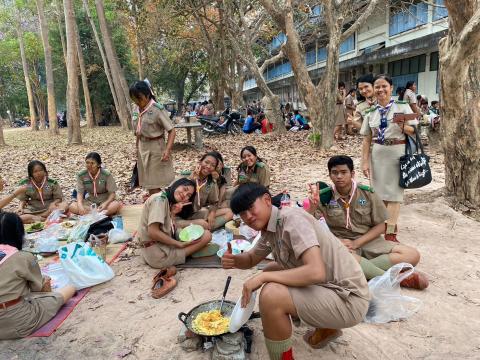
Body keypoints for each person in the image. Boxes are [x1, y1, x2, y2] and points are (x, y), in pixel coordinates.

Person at [221, 184, 370, 359]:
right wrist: (234, 260)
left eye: (250, 208)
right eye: (242, 214)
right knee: (272, 269)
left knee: (271, 295)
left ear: (267, 200)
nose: (248, 217)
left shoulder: (291, 219)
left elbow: (315, 272)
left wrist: (263, 277)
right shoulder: (270, 227)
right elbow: (252, 258)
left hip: (350, 299)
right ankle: (326, 328)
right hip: (332, 290)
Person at [307, 155, 429, 289]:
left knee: (412, 255)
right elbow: (308, 224)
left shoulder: (368, 194)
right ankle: (395, 279)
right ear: (329, 175)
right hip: (340, 243)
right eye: (335, 173)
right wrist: (313, 206)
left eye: (343, 172)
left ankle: (363, 269)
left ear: (352, 174)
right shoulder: (324, 196)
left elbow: (383, 226)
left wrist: (356, 243)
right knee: (344, 257)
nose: (339, 177)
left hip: (368, 240)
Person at [360, 74, 418, 242]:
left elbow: (414, 131)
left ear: (391, 88)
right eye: (377, 87)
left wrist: (401, 125)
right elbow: (366, 139)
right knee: (378, 195)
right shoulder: (371, 112)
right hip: (378, 153)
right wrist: (364, 161)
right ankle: (379, 228)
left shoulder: (403, 106)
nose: (380, 89)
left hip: (397, 153)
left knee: (394, 194)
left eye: (384, 86)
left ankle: (391, 233)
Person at [0, 212, 76, 339]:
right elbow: (39, 289)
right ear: (19, 233)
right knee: (70, 288)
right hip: (16, 321)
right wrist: (45, 280)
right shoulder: (23, 257)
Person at [138, 178, 212, 270]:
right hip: (159, 255)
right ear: (177, 184)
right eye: (185, 189)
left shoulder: (165, 199)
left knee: (189, 232)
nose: (184, 195)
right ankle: (190, 250)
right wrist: (178, 244)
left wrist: (173, 213)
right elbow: (153, 232)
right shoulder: (159, 200)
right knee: (207, 235)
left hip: (155, 248)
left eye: (188, 195)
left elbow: (167, 229)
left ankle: (189, 248)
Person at [130, 80, 176, 195]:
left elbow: (172, 131)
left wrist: (167, 150)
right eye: (134, 99)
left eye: (139, 98)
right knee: (148, 182)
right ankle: (158, 203)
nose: (137, 102)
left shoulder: (157, 109)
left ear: (147, 95)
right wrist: (137, 148)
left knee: (156, 183)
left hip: (156, 148)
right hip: (142, 147)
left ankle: (161, 205)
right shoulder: (136, 109)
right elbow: (138, 131)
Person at [179, 152, 234, 230]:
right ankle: (188, 226)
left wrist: (212, 213)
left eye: (212, 165)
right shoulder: (187, 175)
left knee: (229, 212)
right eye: (206, 162)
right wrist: (192, 178)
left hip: (197, 213)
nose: (208, 166)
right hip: (181, 213)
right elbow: (174, 193)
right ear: (200, 162)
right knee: (202, 223)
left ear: (215, 169)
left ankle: (203, 227)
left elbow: (214, 203)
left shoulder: (211, 183)